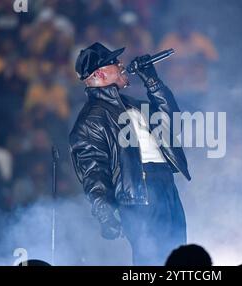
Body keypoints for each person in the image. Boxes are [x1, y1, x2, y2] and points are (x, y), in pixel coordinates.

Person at [69, 42, 191, 265]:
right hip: (140, 193)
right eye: (114, 62)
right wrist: (105, 213)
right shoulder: (90, 120)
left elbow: (172, 124)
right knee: (152, 259)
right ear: (99, 74)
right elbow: (93, 173)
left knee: (179, 255)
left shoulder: (132, 105)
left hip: (165, 185)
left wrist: (152, 81)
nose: (120, 64)